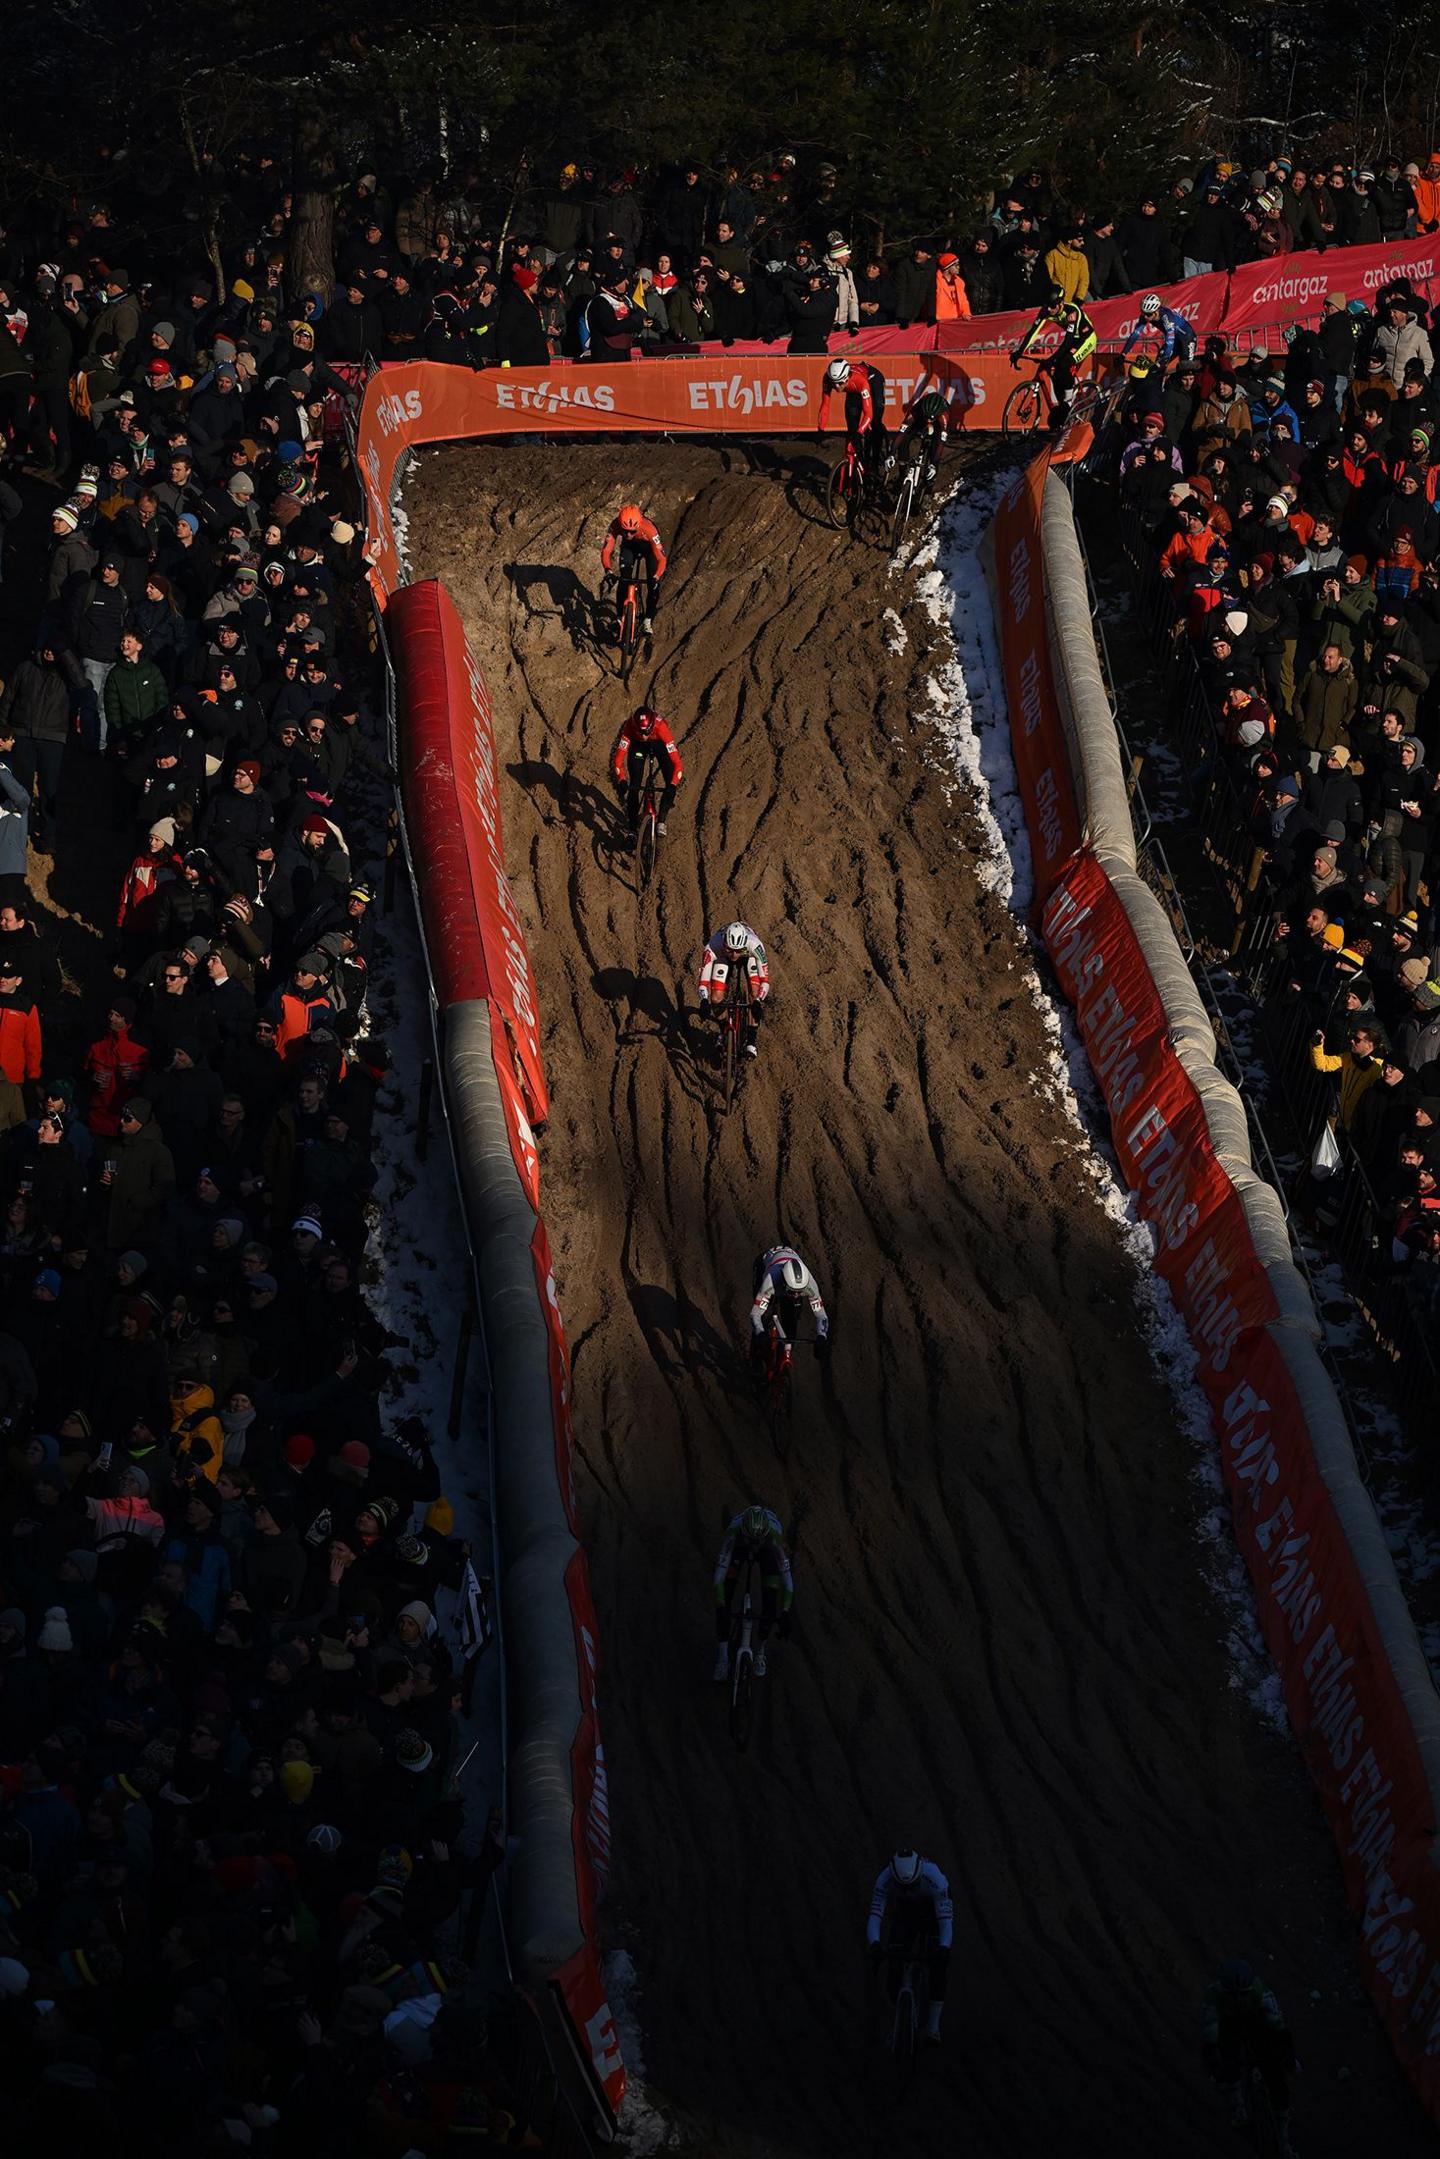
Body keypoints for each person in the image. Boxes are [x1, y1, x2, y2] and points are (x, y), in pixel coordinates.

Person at [1202, 1959, 1295, 2149]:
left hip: (1255, 2020)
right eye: (1233, 1995)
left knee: (1276, 2077)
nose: (1238, 1999)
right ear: (1224, 1991)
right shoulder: (1214, 1995)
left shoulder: (1260, 1992)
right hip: (1228, 2023)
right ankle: (1238, 2106)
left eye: (1242, 1994)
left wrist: (1288, 2057)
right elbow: (1210, 2037)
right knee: (1227, 2061)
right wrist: (1215, 2067)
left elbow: (1279, 2028)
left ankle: (1283, 2138)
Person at [866, 1849, 954, 2045]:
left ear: (920, 1874)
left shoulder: (936, 1880)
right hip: (905, 1911)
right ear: (893, 1878)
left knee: (938, 1967)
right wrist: (875, 1944)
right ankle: (898, 2022)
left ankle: (933, 2028)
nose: (908, 1891)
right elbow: (875, 1916)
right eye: (902, 1887)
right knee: (894, 1967)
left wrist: (944, 1948)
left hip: (933, 1911)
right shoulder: (884, 1879)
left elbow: (945, 1923)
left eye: (912, 1886)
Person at [711, 1503, 793, 1682]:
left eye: (758, 1542)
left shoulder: (774, 1538)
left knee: (770, 1605)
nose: (754, 1546)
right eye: (751, 1541)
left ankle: (760, 1652)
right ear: (744, 1534)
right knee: (725, 1596)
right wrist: (721, 1607)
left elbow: (787, 1582)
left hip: (767, 1550)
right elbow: (718, 1579)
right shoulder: (733, 1534)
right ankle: (723, 1659)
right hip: (739, 1546)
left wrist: (785, 1612)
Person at [1011, 291, 1097, 429]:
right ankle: (1062, 406)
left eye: (1052, 306)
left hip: (1086, 338)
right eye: (1047, 306)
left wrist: (1052, 359)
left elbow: (1067, 340)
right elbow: (1033, 332)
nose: (1049, 309)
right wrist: (1019, 352)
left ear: (1061, 303)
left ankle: (1068, 402)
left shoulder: (1072, 311)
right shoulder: (1046, 311)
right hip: (1072, 341)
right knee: (1055, 371)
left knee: (1065, 363)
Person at [696, 920, 770, 1059]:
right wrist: (704, 1000)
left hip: (748, 955)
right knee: (716, 998)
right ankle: (724, 1030)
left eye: (738, 951)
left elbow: (765, 981)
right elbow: (703, 982)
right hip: (722, 956)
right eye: (730, 949)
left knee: (754, 993)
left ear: (744, 944)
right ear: (724, 943)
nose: (734, 955)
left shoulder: (755, 945)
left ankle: (751, 1042)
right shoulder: (713, 946)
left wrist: (758, 1001)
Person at [611, 706, 683, 836]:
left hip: (658, 743)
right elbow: (618, 760)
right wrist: (621, 779)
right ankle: (632, 828)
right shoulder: (630, 726)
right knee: (634, 784)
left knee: (670, 777)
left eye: (647, 732)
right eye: (641, 732)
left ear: (652, 725)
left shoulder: (661, 727)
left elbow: (678, 764)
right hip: (638, 746)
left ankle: (661, 820)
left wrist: (672, 785)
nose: (644, 736)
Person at [750, 1245, 830, 1359]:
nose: (796, 1295)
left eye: (799, 1292)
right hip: (764, 1265)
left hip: (784, 1282)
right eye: (792, 1291)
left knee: (792, 1322)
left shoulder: (810, 1285)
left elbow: (821, 1315)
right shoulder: (770, 1281)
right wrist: (760, 1332)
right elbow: (755, 1313)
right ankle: (755, 1354)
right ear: (784, 1282)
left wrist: (822, 1336)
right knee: (763, 1317)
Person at [600, 502, 667, 636]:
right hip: (629, 548)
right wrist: (608, 570)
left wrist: (656, 577)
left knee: (653, 585)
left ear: (638, 526)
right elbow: (606, 551)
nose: (629, 534)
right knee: (624, 579)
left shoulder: (649, 529)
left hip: (649, 550)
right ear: (620, 525)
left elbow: (661, 559)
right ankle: (620, 618)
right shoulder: (615, 525)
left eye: (632, 532)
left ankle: (647, 621)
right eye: (625, 531)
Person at [817, 356, 879, 487]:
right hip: (853, 389)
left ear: (846, 378)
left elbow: (868, 413)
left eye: (840, 383)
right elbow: (825, 405)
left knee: (875, 421)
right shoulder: (828, 378)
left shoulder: (861, 382)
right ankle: (854, 469)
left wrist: (860, 432)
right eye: (834, 383)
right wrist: (821, 429)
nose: (836, 387)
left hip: (872, 381)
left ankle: (874, 465)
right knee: (851, 431)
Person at [1122, 290, 1197, 367]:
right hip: (1175, 340)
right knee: (1155, 369)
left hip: (1187, 338)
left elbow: (1169, 342)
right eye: (1143, 312)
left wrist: (1164, 359)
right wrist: (1123, 353)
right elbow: (1135, 334)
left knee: (1185, 367)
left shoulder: (1166, 317)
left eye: (1148, 314)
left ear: (1156, 312)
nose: (1145, 317)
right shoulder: (1145, 316)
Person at [891, 385, 949, 483]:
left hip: (937, 425)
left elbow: (941, 443)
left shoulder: (944, 417)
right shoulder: (916, 410)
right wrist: (891, 454)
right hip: (920, 419)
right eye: (927, 417)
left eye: (931, 419)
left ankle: (931, 479)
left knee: (935, 446)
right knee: (904, 440)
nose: (928, 421)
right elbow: (901, 433)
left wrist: (934, 464)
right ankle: (902, 474)